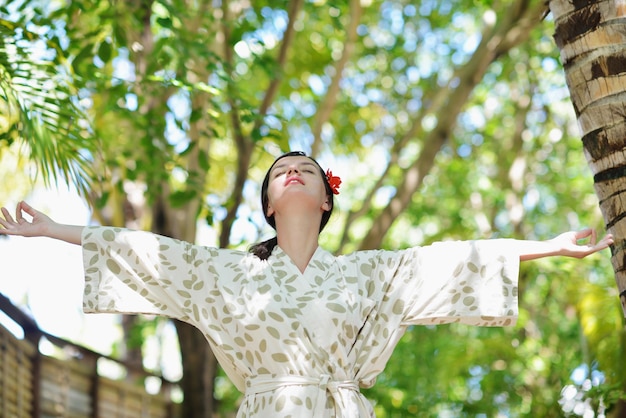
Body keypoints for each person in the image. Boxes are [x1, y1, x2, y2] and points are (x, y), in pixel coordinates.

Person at [0, 151, 614, 417]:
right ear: (269, 202)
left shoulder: (368, 273)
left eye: (305, 171)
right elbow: (151, 256)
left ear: (325, 200)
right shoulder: (226, 273)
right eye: (281, 172)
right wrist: (54, 229)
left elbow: (453, 262)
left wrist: (550, 248)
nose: (292, 174)